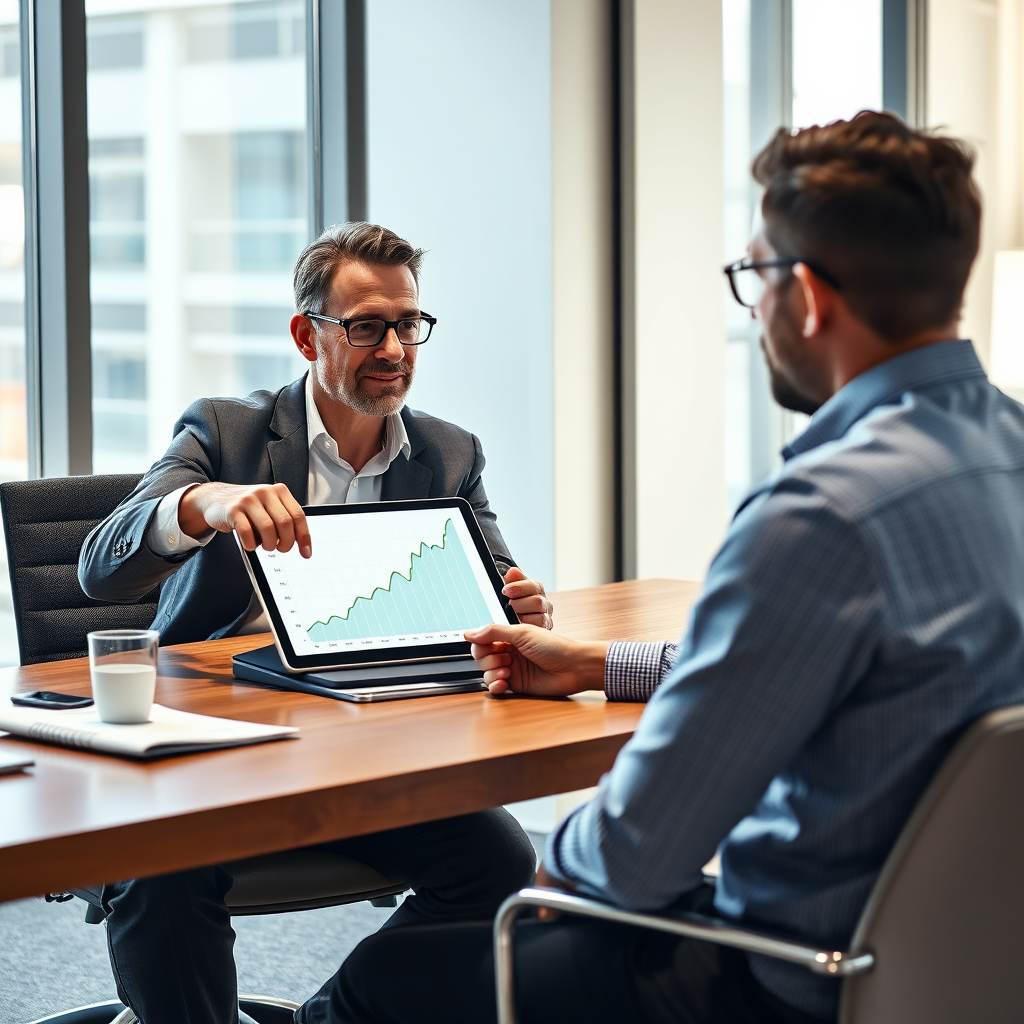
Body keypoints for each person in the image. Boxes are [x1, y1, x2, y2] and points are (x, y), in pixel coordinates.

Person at [319, 113, 1024, 1024]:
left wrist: (543, 868)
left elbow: (632, 859)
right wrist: (600, 665)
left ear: (804, 296)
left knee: (400, 977)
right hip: (977, 968)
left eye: (752, 276)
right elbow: (843, 672)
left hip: (791, 978)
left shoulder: (819, 517)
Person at [78, 222, 552, 1024]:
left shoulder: (447, 452)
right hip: (211, 747)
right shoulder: (226, 431)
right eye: (368, 326)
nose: (395, 347)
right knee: (158, 866)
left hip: (367, 747)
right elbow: (100, 564)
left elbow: (493, 592)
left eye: (409, 324)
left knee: (499, 861)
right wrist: (201, 505)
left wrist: (514, 611)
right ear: (308, 335)